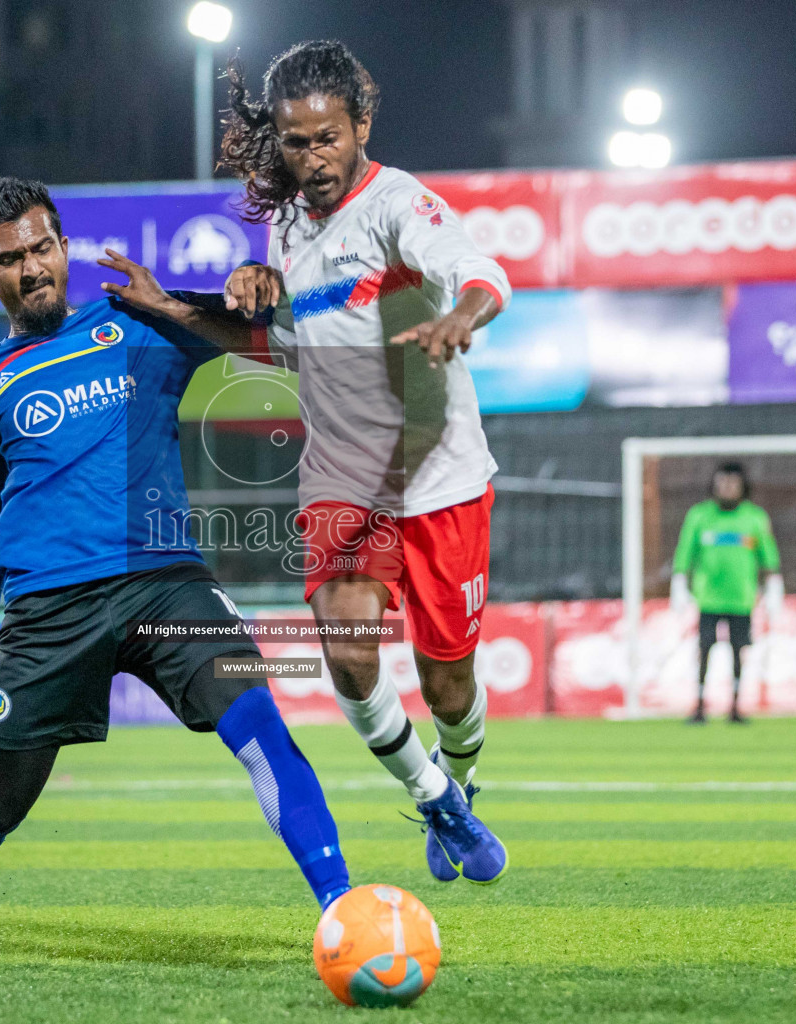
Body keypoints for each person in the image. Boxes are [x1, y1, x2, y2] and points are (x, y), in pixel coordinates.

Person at [0, 178, 351, 961]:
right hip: (46, 610)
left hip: (168, 582)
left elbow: (289, 339)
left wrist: (257, 286)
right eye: (10, 260)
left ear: (63, 248)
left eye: (41, 249)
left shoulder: (139, 320)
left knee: (260, 724)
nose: (32, 269)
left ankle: (341, 908)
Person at [148, 40, 510, 884]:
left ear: (362, 125)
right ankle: (435, 802)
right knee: (347, 649)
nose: (312, 158)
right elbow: (289, 343)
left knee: (448, 687)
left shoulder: (398, 205)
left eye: (327, 138)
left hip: (442, 479)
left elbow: (481, 269)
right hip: (346, 480)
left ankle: (462, 780)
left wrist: (464, 315)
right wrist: (209, 298)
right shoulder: (284, 225)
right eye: (295, 140)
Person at [671, 462, 783, 724]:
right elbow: (685, 551)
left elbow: (768, 554)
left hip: (741, 598)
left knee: (738, 650)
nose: (727, 489)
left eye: (733, 484)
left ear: (742, 487)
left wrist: (775, 583)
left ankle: (735, 706)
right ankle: (699, 705)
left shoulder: (754, 517)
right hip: (708, 597)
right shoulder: (699, 516)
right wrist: (679, 580)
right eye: (722, 483)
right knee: (704, 648)